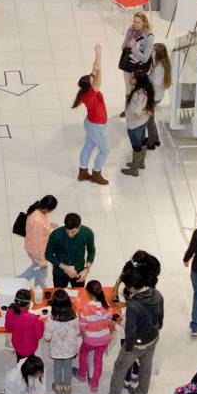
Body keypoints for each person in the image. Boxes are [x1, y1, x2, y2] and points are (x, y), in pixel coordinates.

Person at [96, 274, 166, 394]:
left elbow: (130, 330)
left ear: (132, 288)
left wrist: (127, 348)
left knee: (119, 368)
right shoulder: (157, 294)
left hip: (137, 344)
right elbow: (161, 317)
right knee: (146, 366)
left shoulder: (133, 305)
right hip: (153, 338)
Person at [72, 45, 110, 184]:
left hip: (91, 124)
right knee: (105, 150)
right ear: (90, 85)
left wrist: (97, 58)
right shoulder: (91, 94)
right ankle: (96, 174)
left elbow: (96, 69)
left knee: (88, 147)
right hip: (96, 126)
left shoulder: (88, 90)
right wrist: (99, 53)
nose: (93, 77)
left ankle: (82, 172)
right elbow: (97, 76)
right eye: (91, 78)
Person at [41, 290, 83, 394]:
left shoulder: (52, 318)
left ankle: (58, 387)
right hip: (70, 348)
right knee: (68, 367)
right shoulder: (75, 316)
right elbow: (78, 331)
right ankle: (67, 388)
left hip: (56, 349)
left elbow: (47, 337)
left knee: (57, 366)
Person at [77, 280, 114, 391]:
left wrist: (85, 338)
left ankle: (82, 375)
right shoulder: (107, 307)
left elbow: (82, 327)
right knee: (98, 361)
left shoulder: (85, 309)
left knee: (83, 353)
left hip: (90, 340)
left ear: (88, 293)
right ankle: (94, 385)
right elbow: (108, 323)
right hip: (104, 339)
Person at [45, 213, 95, 289]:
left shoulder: (87, 233)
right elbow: (48, 255)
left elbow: (91, 251)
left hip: (79, 272)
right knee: (59, 294)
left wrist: (86, 269)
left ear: (79, 226)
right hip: (59, 272)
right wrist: (65, 267)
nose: (70, 235)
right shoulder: (55, 235)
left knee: (79, 295)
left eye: (73, 232)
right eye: (68, 231)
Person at [120, 75, 156, 178]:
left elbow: (137, 112)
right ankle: (141, 162)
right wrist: (147, 111)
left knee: (136, 146)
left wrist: (145, 111)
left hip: (135, 124)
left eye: (133, 78)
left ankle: (134, 169)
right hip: (143, 122)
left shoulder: (137, 95)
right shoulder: (146, 90)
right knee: (142, 141)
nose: (131, 79)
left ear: (138, 81)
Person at [4, 288, 45, 362]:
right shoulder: (33, 318)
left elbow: (8, 329)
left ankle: (20, 369)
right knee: (29, 365)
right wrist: (41, 322)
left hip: (17, 345)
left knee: (20, 361)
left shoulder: (9, 312)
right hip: (30, 347)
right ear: (29, 303)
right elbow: (39, 335)